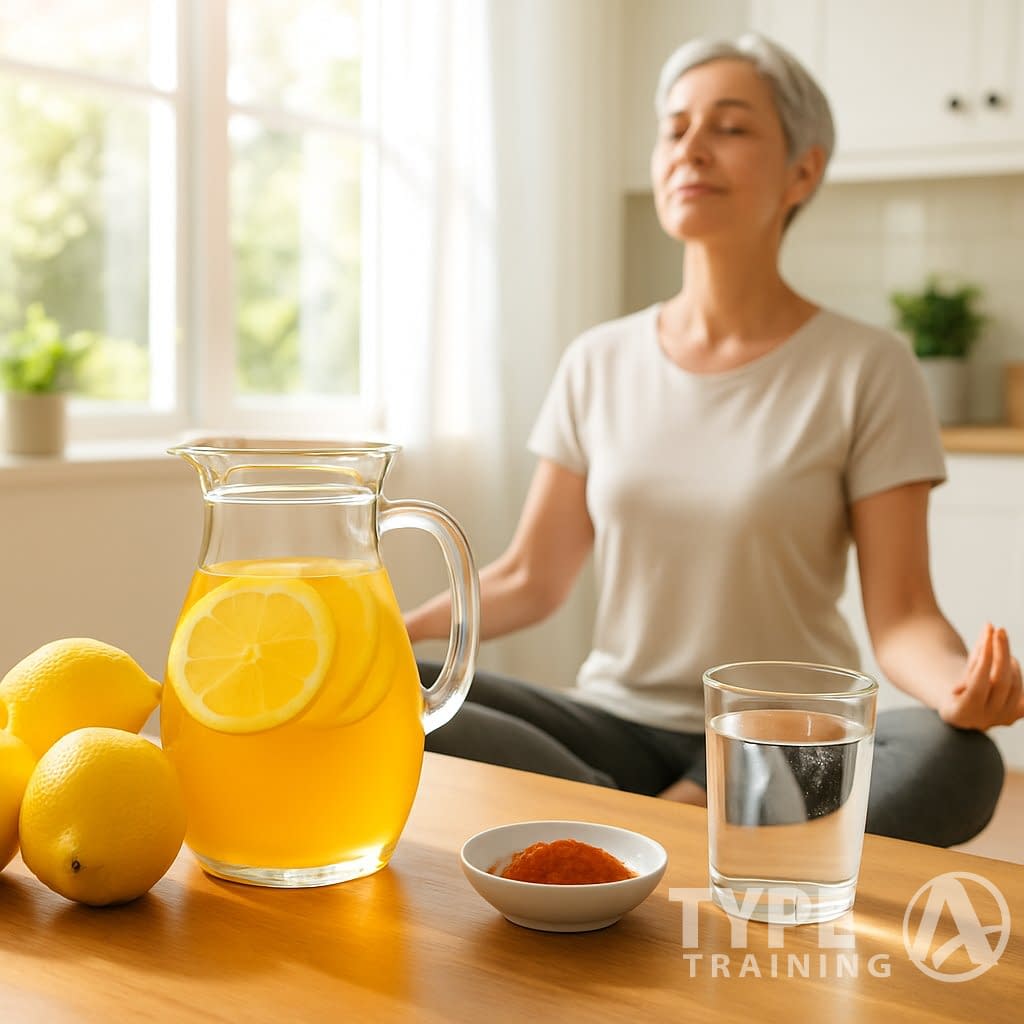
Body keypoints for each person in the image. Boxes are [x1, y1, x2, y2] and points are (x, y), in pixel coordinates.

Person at [405, 33, 1022, 847]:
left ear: (802, 170)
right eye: (674, 128)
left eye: (729, 128)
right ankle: (693, 831)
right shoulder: (599, 360)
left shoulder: (869, 368)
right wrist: (384, 623)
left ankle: (631, 833)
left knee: (957, 759)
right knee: (399, 686)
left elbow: (903, 613)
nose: (691, 148)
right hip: (613, 729)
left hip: (783, 737)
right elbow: (530, 575)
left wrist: (957, 687)